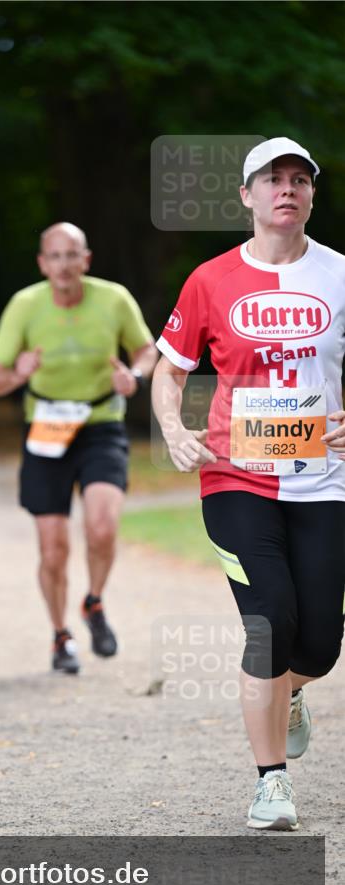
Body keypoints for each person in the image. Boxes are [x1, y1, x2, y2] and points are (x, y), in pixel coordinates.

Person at [152, 137, 345, 831]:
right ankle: (271, 783)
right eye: (271, 180)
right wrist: (174, 430)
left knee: (319, 643)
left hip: (324, 481)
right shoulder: (209, 280)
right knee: (269, 619)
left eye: (299, 179)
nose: (285, 190)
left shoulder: (339, 275)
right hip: (234, 476)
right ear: (245, 195)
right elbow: (169, 368)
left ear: (311, 195)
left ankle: (288, 693)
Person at [0, 222, 157, 674]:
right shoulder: (25, 305)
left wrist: (133, 377)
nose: (63, 265)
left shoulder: (113, 298)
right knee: (53, 548)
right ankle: (61, 636)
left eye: (71, 255)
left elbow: (147, 350)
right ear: (43, 263)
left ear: (86, 260)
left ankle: (93, 602)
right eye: (54, 256)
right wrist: (17, 374)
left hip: (100, 423)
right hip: (46, 427)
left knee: (101, 526)